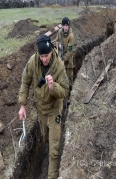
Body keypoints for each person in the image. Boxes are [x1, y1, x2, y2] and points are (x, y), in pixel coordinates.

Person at [18, 34, 69, 179]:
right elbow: (25, 81)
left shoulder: (59, 66)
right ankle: (47, 150)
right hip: (40, 109)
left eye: (46, 55)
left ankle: (52, 173)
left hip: (54, 110)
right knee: (45, 137)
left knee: (53, 149)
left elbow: (65, 91)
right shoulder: (33, 62)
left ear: (51, 52)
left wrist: (54, 87)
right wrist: (22, 105)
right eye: (42, 56)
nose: (44, 59)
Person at [55, 17, 75, 89]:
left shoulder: (71, 36)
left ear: (69, 26)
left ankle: (70, 93)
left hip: (68, 62)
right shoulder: (60, 32)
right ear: (62, 25)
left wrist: (63, 61)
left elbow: (70, 51)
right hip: (60, 58)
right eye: (64, 25)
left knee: (69, 79)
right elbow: (55, 41)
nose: (65, 27)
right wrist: (58, 45)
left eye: (67, 25)